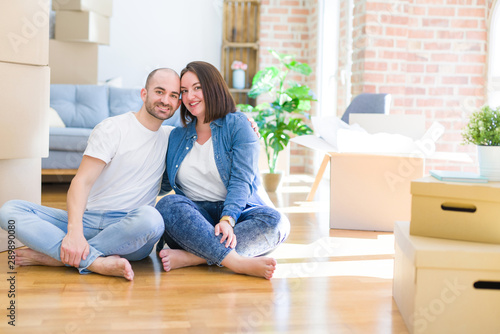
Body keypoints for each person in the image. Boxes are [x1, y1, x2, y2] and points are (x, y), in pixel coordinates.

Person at [0, 68, 182, 281]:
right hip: (88, 220)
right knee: (9, 211)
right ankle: (94, 261)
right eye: (159, 92)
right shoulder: (113, 128)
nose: (165, 100)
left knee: (153, 220)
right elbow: (82, 182)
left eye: (173, 95)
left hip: (130, 230)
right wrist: (74, 231)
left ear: (179, 102)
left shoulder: (172, 137)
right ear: (144, 94)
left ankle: (57, 257)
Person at [156, 61, 290, 280]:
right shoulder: (176, 136)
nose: (190, 97)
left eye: (197, 87)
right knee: (168, 205)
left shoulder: (237, 125)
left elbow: (241, 180)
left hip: (238, 215)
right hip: (195, 222)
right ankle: (236, 262)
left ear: (213, 87)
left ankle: (194, 257)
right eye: (184, 91)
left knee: (277, 222)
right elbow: (161, 185)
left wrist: (227, 219)